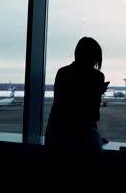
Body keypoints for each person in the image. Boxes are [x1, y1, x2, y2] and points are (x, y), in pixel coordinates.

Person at [44, 37, 108, 168]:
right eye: (95, 58)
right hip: (77, 132)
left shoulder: (63, 72)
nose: (95, 63)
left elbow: (60, 106)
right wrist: (95, 93)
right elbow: (93, 114)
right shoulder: (97, 77)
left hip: (57, 131)